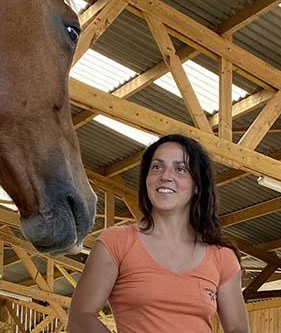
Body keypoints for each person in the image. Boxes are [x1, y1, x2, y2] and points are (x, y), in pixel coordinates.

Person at [68, 134, 250, 333]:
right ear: (146, 179)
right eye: (157, 167)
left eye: (180, 169)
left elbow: (238, 329)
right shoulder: (117, 242)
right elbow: (80, 319)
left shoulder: (222, 257)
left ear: (197, 186)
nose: (165, 176)